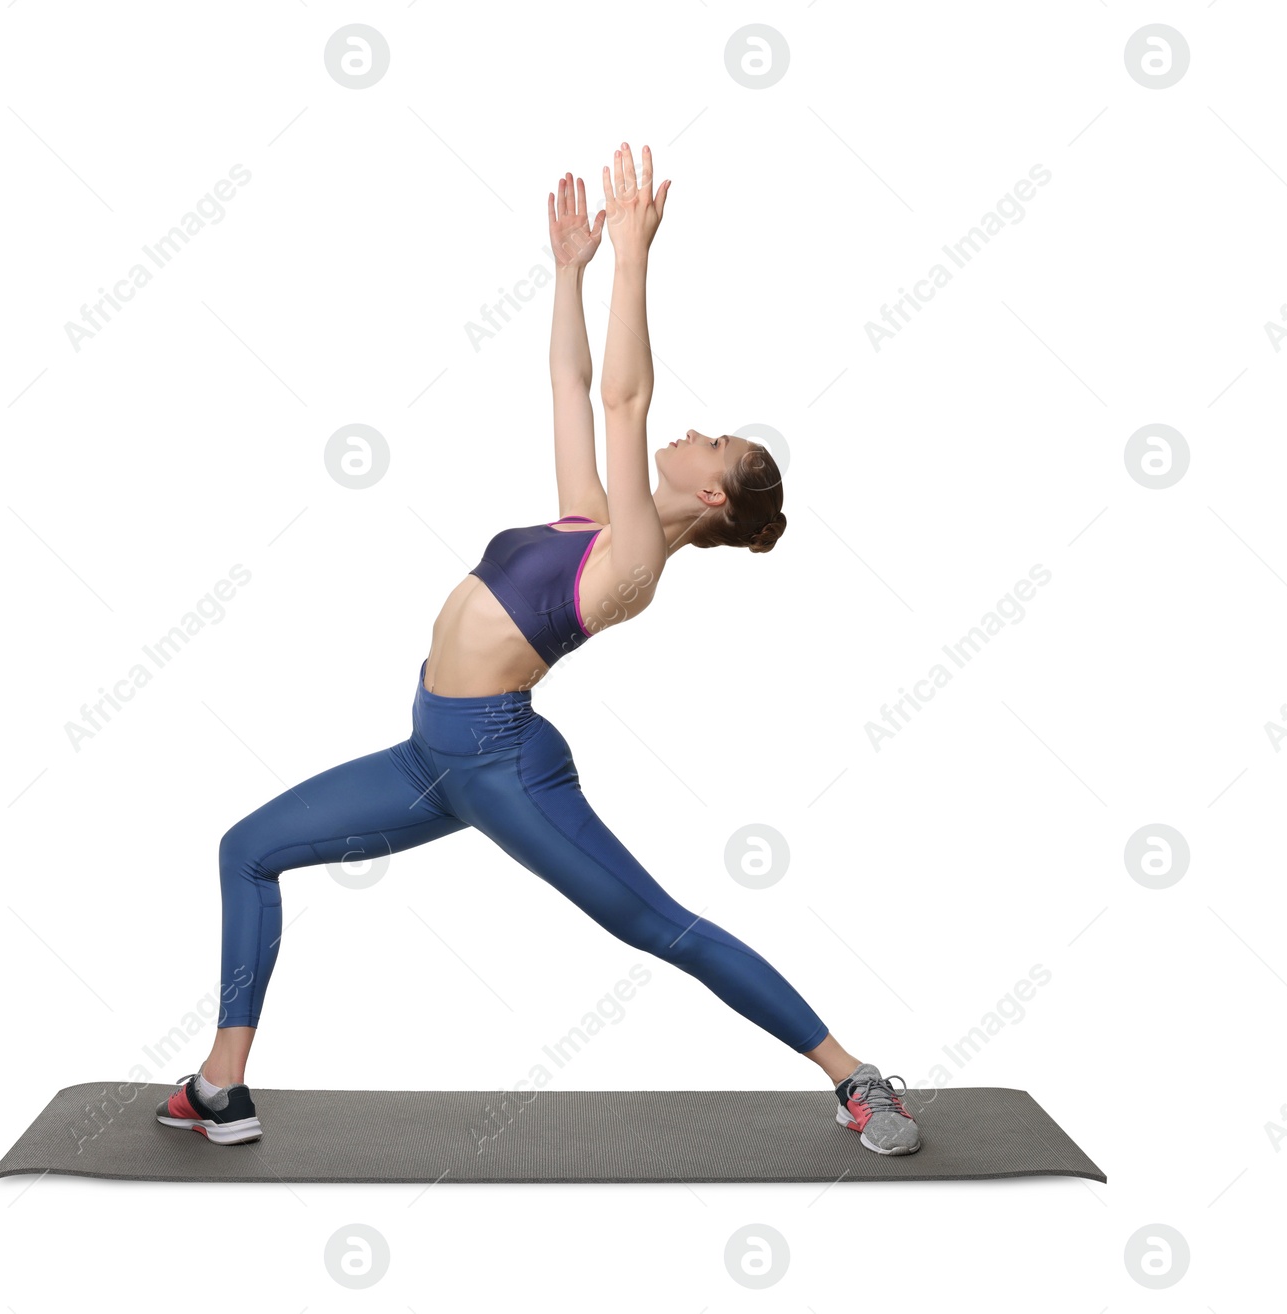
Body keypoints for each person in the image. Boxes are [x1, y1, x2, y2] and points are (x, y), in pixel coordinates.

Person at [157, 143, 920, 1157]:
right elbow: (572, 390)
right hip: (431, 756)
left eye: (715, 444)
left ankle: (855, 1079)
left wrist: (637, 259)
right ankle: (222, 1087)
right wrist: (568, 270)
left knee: (658, 926)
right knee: (247, 850)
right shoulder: (595, 522)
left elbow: (621, 402)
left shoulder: (634, 564)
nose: (695, 431)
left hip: (501, 766)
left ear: (711, 496)